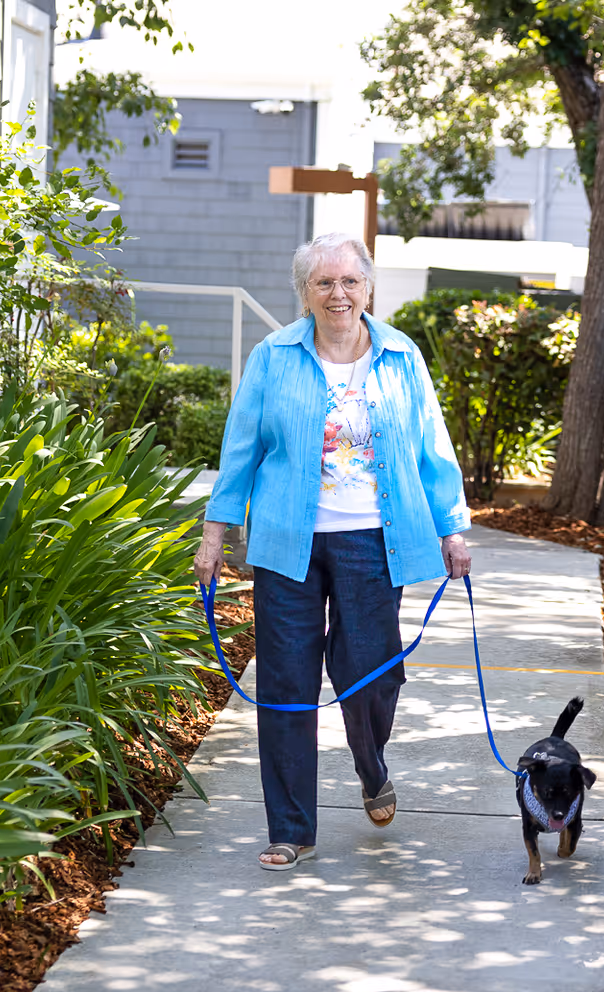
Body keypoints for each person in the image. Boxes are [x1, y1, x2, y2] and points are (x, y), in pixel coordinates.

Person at [193, 231, 472, 870]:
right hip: (287, 541)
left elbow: (432, 444)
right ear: (306, 294)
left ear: (368, 288)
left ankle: (371, 766)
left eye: (349, 282)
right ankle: (292, 828)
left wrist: (451, 526)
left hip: (375, 538)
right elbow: (242, 447)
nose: (338, 294)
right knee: (288, 678)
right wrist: (216, 530)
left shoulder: (402, 355)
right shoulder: (274, 355)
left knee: (369, 672)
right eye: (324, 283)